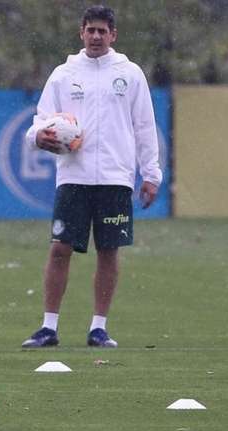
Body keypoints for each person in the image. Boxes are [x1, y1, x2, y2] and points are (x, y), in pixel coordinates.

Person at [21, 5, 161, 348]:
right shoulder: (63, 74)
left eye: (103, 31)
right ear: (81, 33)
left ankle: (99, 328)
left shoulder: (130, 74)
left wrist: (151, 173)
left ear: (113, 35)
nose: (96, 36)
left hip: (116, 177)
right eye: (91, 30)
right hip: (73, 176)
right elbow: (40, 121)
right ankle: (48, 327)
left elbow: (144, 125)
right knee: (59, 249)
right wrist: (37, 136)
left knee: (109, 251)